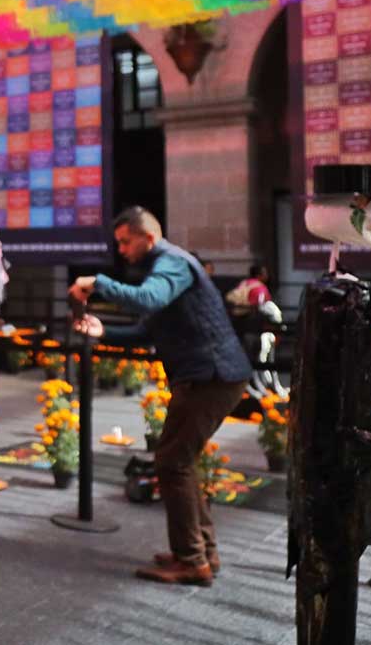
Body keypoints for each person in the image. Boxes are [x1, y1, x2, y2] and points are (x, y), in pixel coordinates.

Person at [69, 206, 251, 586]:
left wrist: (97, 282)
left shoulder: (171, 263)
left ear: (147, 238)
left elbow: (147, 300)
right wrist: (104, 333)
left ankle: (192, 560)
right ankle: (202, 553)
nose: (120, 249)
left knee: (172, 463)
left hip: (209, 377)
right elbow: (148, 330)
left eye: (124, 241)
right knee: (180, 461)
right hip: (210, 377)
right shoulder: (168, 267)